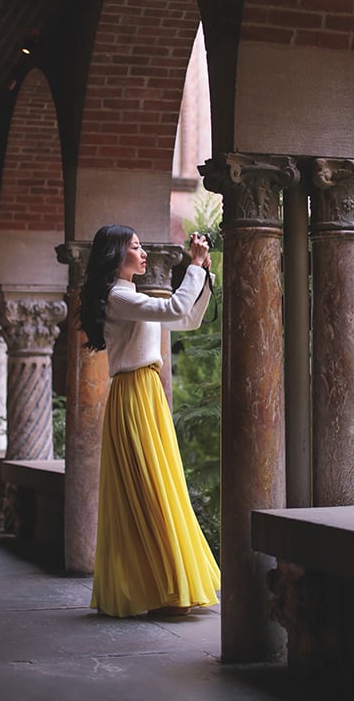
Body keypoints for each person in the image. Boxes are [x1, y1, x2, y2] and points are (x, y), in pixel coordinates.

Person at [78, 223, 220, 618]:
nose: (143, 254)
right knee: (152, 490)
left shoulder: (131, 297)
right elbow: (174, 308)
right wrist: (193, 266)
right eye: (136, 247)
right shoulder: (118, 296)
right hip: (135, 395)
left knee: (157, 487)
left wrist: (203, 275)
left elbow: (185, 320)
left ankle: (163, 585)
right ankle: (165, 586)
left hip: (145, 393)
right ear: (115, 254)